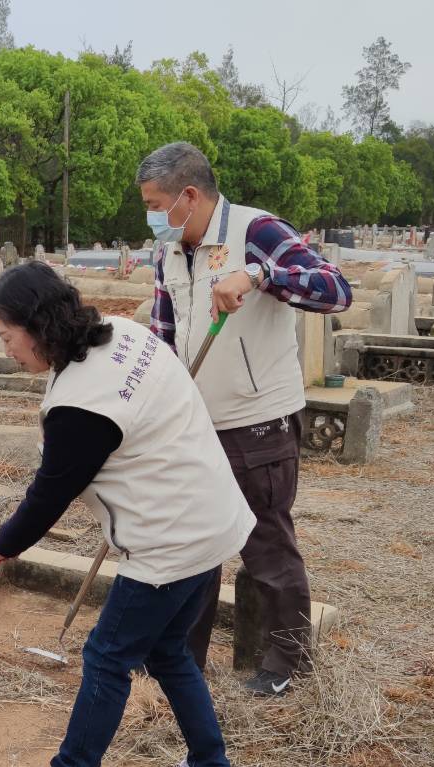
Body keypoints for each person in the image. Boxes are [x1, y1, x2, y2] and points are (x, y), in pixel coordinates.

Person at [0, 261, 255, 767]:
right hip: (209, 520)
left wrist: (4, 546)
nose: (6, 350)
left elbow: (50, 491)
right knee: (168, 652)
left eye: (8, 337)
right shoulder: (122, 332)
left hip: (168, 541)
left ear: (37, 325)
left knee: (106, 658)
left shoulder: (81, 405)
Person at [137, 141, 352, 698]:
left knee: (264, 545)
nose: (152, 217)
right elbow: (164, 332)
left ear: (189, 195)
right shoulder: (168, 250)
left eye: (156, 204)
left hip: (257, 421)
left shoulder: (256, 230)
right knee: (194, 544)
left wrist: (256, 276)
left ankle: (287, 661)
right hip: (194, 421)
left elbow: (335, 290)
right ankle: (183, 657)